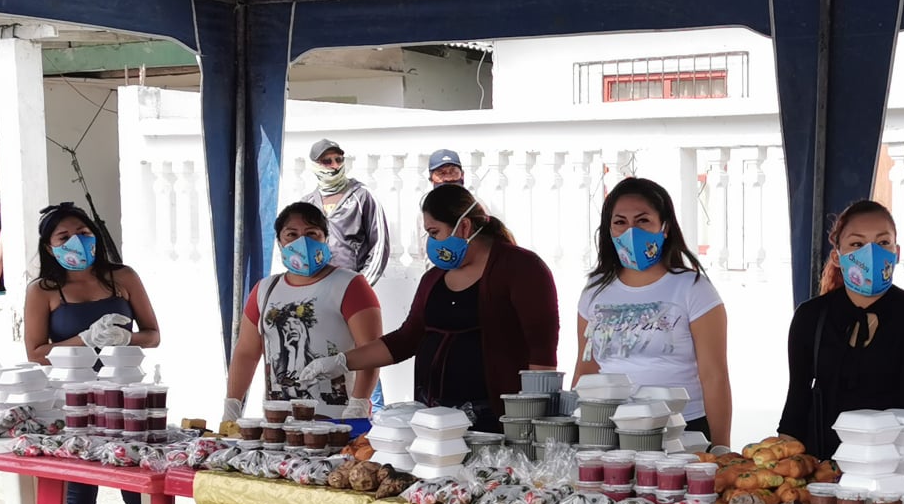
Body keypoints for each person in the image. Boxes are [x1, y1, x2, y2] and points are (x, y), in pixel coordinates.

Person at [306, 184, 557, 431]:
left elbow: (542, 350)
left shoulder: (521, 267)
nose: (431, 242)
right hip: (434, 421)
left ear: (464, 227)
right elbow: (406, 339)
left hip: (498, 421)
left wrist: (531, 425)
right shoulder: (434, 278)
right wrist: (341, 361)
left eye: (434, 232)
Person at [23, 203, 169, 504]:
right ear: (49, 247)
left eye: (83, 233)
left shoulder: (123, 278)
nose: (76, 242)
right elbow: (36, 351)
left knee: (138, 490)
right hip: (73, 403)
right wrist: (85, 339)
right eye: (64, 237)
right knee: (79, 493)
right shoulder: (43, 290)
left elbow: (153, 334)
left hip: (127, 399)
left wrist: (125, 338)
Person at [573, 176, 731, 446]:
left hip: (681, 430)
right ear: (609, 230)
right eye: (620, 222)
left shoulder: (693, 288)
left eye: (643, 220)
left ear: (664, 227)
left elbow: (714, 375)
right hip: (609, 430)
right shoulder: (594, 290)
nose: (631, 231)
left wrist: (721, 447)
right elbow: (586, 367)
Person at [778, 198, 904, 457]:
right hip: (824, 465)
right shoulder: (811, 316)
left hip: (896, 465)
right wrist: (783, 462)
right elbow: (798, 397)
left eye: (883, 242)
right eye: (857, 244)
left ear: (897, 253)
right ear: (837, 256)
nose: (871, 253)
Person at [223, 202, 384, 425]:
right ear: (279, 242)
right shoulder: (264, 290)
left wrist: (358, 404)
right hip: (278, 422)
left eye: (312, 234)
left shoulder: (350, 285)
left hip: (336, 422)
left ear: (325, 238)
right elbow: (246, 353)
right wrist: (232, 405)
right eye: (292, 234)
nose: (302, 242)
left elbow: (372, 352)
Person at [304, 139, 390, 285]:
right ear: (315, 165)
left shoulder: (362, 195)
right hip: (317, 286)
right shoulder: (308, 203)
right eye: (327, 161)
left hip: (351, 283)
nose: (335, 166)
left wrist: (361, 285)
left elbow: (380, 245)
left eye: (338, 159)